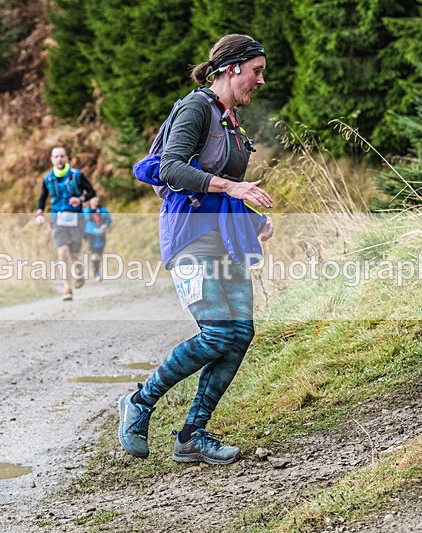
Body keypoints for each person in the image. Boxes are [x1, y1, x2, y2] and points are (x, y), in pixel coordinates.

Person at [118, 34, 274, 465]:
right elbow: (171, 168)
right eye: (257, 71)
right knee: (220, 332)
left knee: (240, 333)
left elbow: (219, 190)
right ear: (232, 68)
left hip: (225, 239)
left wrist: (254, 220)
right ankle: (140, 402)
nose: (261, 80)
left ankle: (192, 435)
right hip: (189, 238)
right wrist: (234, 187)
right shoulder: (196, 108)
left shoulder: (230, 119)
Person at [35, 146, 96, 300]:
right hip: (58, 219)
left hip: (76, 219)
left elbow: (91, 192)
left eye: (62, 156)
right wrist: (40, 213)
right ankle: (67, 288)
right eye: (56, 157)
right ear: (51, 160)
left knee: (74, 255)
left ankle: (79, 272)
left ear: (67, 158)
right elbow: (43, 198)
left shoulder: (77, 175)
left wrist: (81, 199)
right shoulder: (48, 179)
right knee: (62, 252)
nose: (59, 159)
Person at [82, 195, 112, 281]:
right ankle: (96, 273)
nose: (95, 202)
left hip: (101, 234)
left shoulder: (103, 210)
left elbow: (109, 220)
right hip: (91, 234)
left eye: (97, 201)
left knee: (99, 253)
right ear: (90, 201)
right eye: (93, 201)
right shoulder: (86, 211)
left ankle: (96, 269)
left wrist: (105, 225)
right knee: (94, 252)